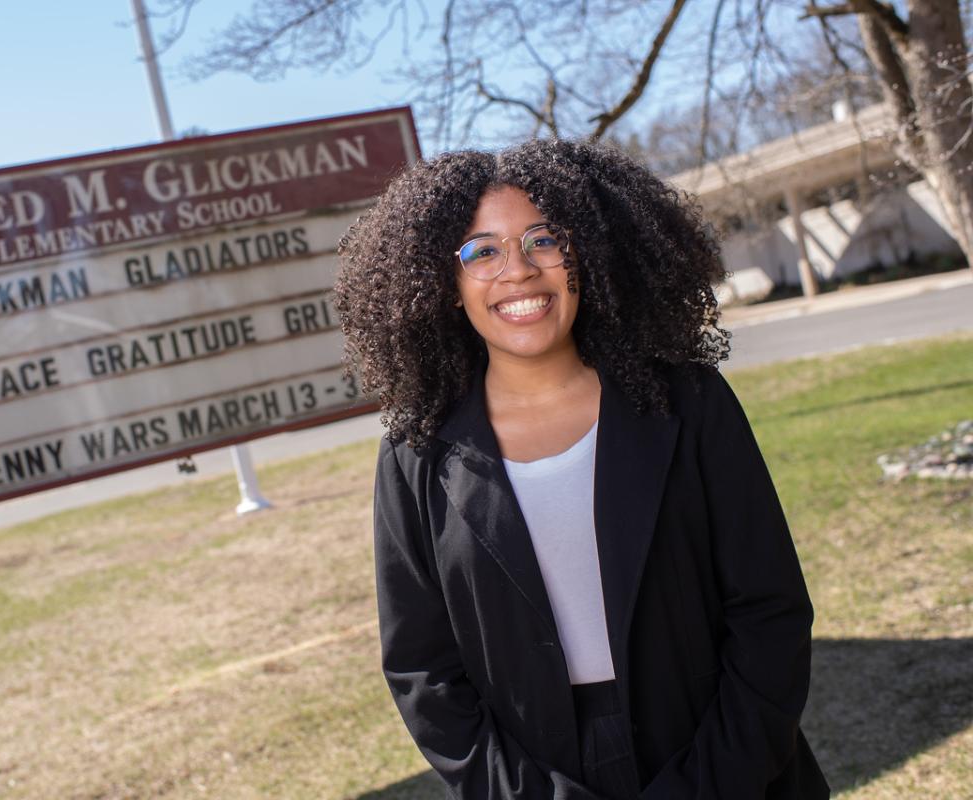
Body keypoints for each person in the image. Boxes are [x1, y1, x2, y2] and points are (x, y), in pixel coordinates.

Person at [333, 139, 829, 799]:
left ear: (586, 255)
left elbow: (770, 613)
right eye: (482, 251)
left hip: (724, 762)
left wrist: (710, 785)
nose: (518, 271)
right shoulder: (415, 456)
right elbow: (424, 673)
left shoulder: (687, 401)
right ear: (443, 286)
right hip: (537, 774)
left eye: (544, 240)